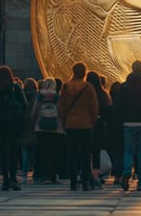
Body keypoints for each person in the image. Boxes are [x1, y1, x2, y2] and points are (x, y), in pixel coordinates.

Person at [115, 61, 141, 191]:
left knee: (128, 150)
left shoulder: (124, 86)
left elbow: (118, 105)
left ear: (131, 69)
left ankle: (127, 171)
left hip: (128, 122)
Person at [58, 62, 98, 191]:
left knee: (72, 154)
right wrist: (91, 121)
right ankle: (85, 182)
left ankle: (73, 182)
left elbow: (61, 108)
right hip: (85, 125)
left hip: (71, 125)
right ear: (84, 72)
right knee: (86, 155)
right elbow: (94, 107)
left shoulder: (66, 87)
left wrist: (65, 122)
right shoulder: (88, 87)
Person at [0, 65, 28, 191]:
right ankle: (13, 179)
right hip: (14, 125)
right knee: (13, 152)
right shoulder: (16, 87)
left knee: (3, 154)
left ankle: (5, 181)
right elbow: (24, 104)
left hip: (1, 124)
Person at [33, 78, 64, 185]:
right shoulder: (57, 96)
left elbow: (35, 111)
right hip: (57, 128)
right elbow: (61, 111)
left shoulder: (40, 96)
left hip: (41, 128)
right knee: (56, 153)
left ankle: (45, 176)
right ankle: (54, 175)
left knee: (44, 152)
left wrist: (35, 123)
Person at [86, 71, 112, 188]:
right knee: (96, 152)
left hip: (85, 125)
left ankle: (86, 174)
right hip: (99, 127)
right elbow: (109, 111)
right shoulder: (103, 94)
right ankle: (96, 176)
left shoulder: (84, 93)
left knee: (86, 152)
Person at [20, 78, 38, 184]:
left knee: (25, 153)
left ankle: (24, 175)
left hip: (24, 126)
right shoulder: (37, 96)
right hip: (34, 126)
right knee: (35, 153)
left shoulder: (21, 95)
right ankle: (35, 174)